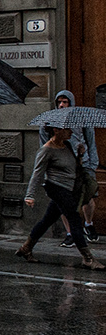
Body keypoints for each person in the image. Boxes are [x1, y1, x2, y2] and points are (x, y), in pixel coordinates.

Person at [18, 124, 102, 269]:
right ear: (56, 130)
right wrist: (29, 195)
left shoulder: (67, 145)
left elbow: (75, 167)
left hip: (69, 189)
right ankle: (88, 258)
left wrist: (80, 155)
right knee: (74, 219)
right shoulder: (46, 150)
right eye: (67, 129)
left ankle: (26, 248)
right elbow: (37, 174)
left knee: (47, 219)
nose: (71, 131)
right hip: (56, 188)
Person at [51, 90, 98, 245]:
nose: (62, 105)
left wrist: (92, 164)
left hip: (83, 164)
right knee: (65, 201)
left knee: (87, 198)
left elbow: (91, 142)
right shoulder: (52, 120)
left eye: (65, 101)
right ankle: (70, 233)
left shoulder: (81, 118)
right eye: (59, 102)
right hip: (62, 166)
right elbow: (44, 145)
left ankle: (88, 224)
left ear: (71, 102)